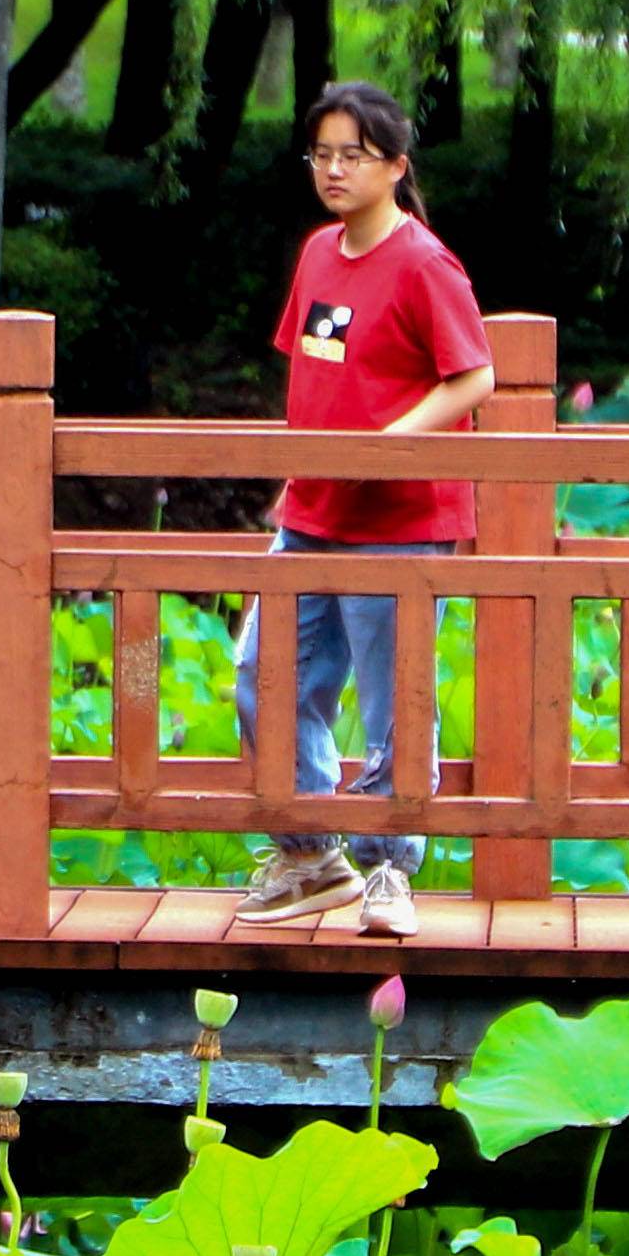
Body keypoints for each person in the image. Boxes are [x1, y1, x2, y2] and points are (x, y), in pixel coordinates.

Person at [235, 80, 493, 937]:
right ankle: (312, 853)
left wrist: (391, 442)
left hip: (400, 517)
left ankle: (391, 871)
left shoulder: (425, 263)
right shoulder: (316, 252)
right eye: (321, 154)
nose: (334, 170)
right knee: (263, 676)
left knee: (394, 699)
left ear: (395, 166)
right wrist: (299, 473)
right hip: (311, 507)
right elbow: (313, 370)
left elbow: (473, 376)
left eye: (353, 155)